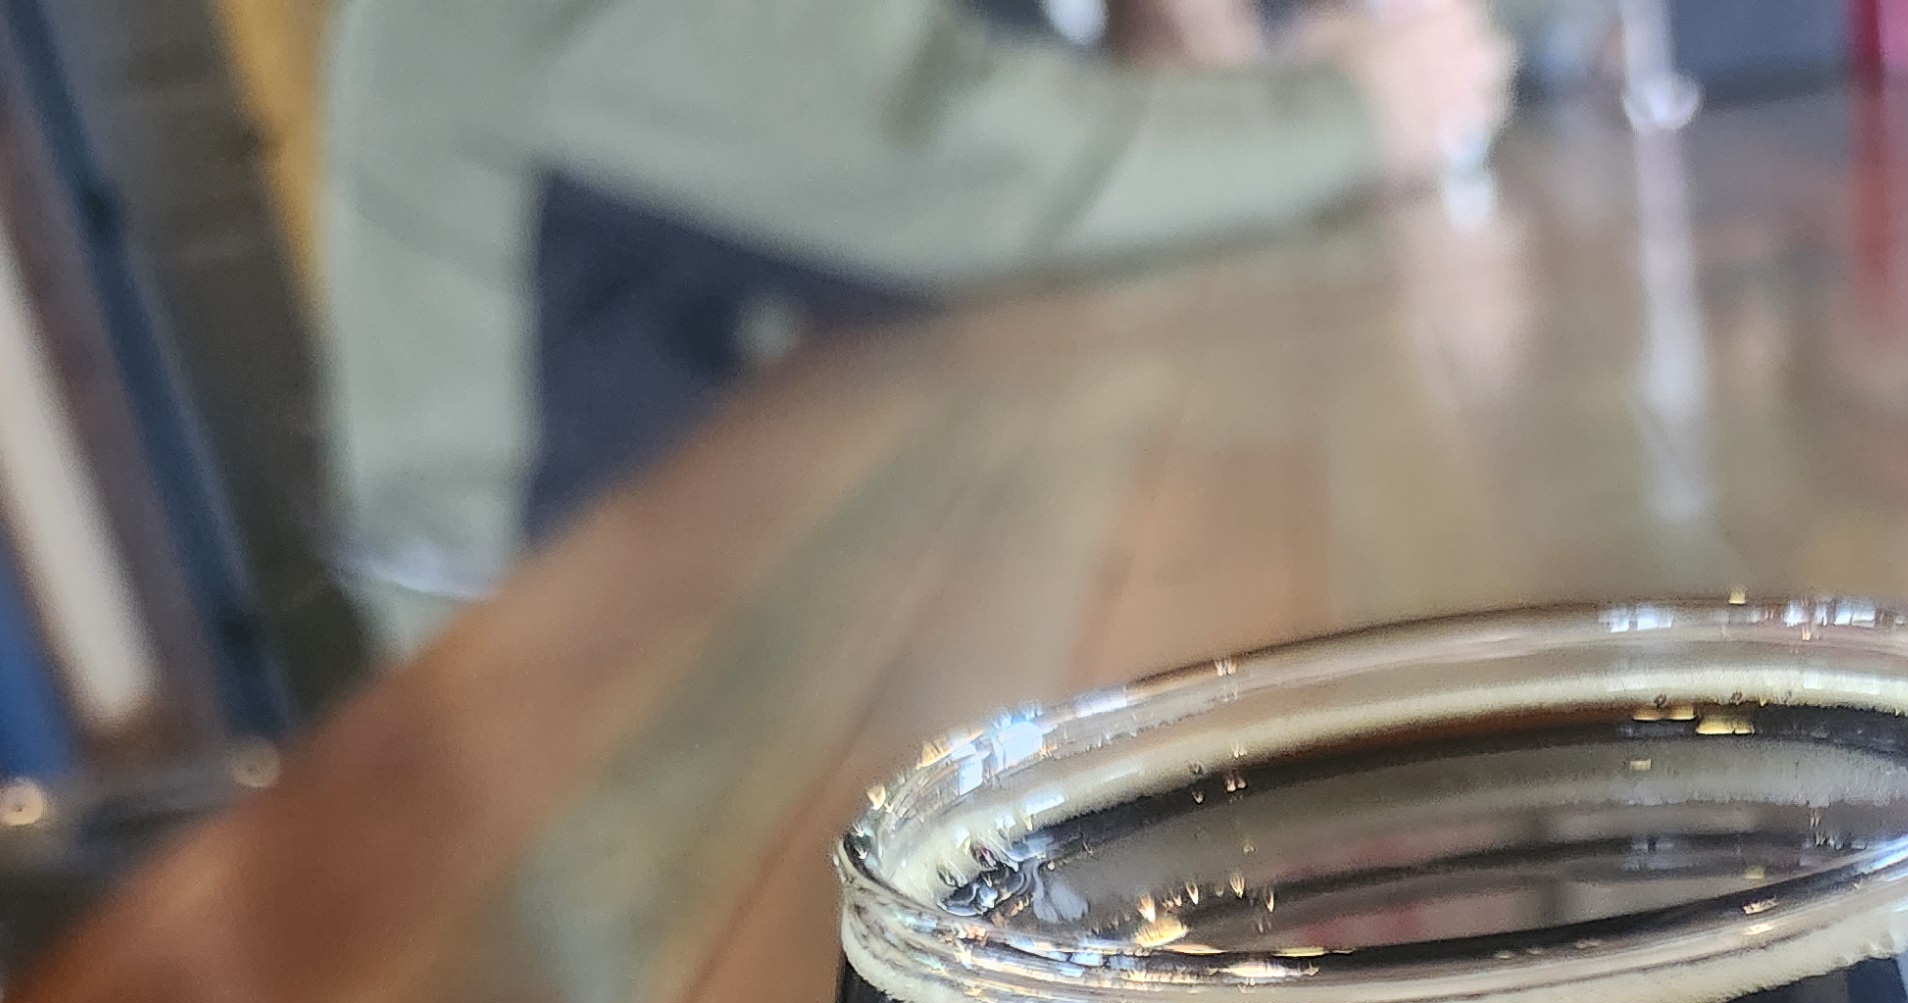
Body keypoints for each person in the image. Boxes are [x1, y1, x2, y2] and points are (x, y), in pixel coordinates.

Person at [321, 0, 1513, 654]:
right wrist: (1351, 112)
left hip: (734, 568)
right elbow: (948, 151)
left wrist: (1215, 72)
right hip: (555, 678)